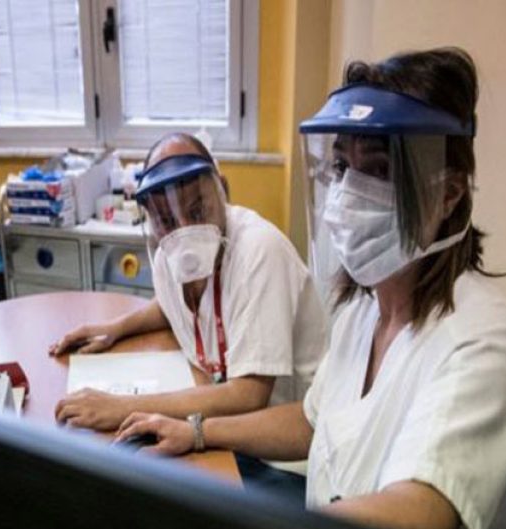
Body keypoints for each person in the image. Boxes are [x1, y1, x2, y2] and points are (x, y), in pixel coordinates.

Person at [115, 48, 506, 529]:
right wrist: (197, 431)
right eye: (343, 166)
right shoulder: (363, 312)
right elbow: (311, 419)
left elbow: (419, 511)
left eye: (381, 170)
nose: (347, 194)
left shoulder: (487, 344)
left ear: (448, 194)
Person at [51, 134, 325, 445]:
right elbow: (174, 306)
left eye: (196, 211)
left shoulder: (260, 251)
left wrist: (121, 407)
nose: (184, 232)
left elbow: (248, 394)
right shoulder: (170, 255)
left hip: (280, 447)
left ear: (222, 191)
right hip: (222, 421)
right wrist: (115, 328)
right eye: (166, 219)